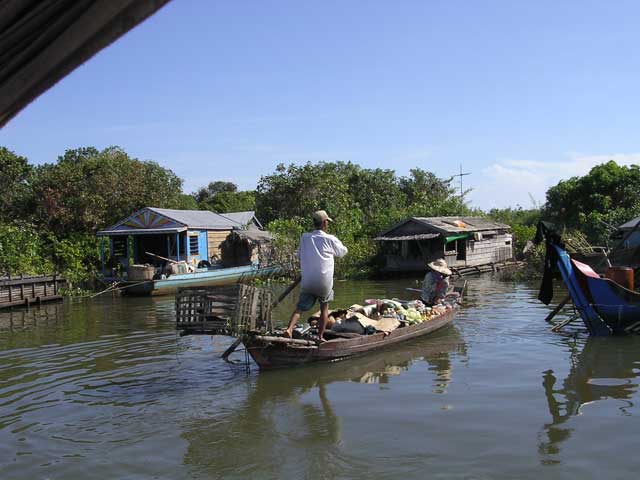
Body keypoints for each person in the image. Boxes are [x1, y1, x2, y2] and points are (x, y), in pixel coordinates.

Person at [284, 210, 348, 341]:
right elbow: (343, 252)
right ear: (325, 223)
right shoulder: (330, 239)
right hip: (324, 282)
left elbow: (299, 255)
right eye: (327, 222)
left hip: (308, 280)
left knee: (300, 308)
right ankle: (320, 336)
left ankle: (289, 329)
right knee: (324, 308)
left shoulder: (305, 237)